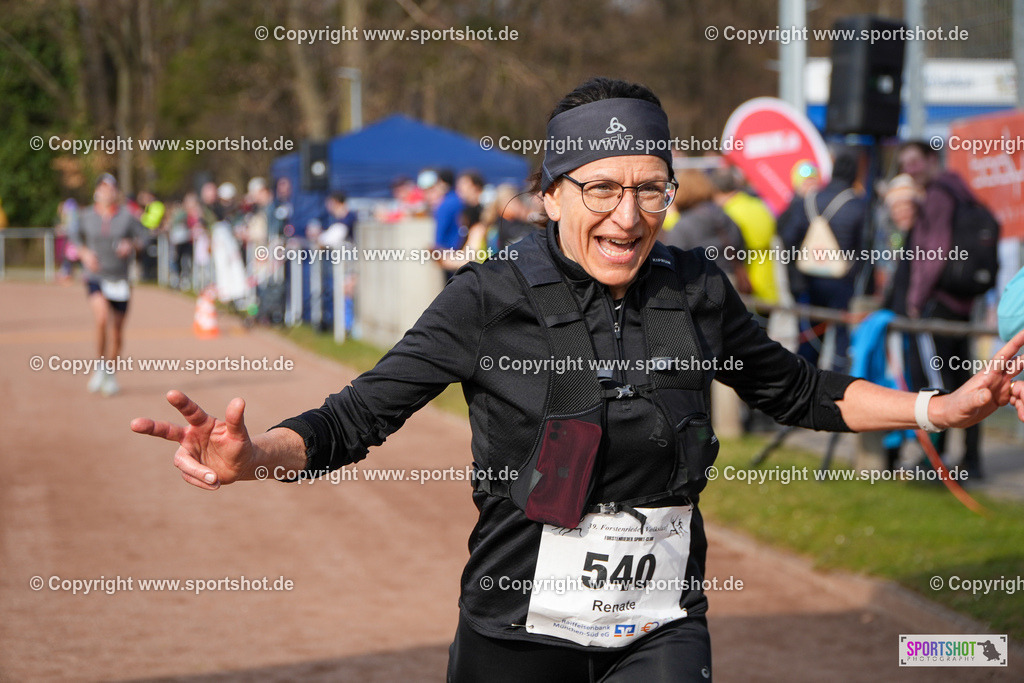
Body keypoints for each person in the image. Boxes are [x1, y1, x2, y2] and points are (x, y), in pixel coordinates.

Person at [131, 78, 1024, 683]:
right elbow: (359, 414)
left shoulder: (696, 288)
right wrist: (256, 457)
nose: (627, 216)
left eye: (650, 188)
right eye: (601, 188)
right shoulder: (486, 300)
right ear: (551, 192)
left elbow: (797, 389)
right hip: (515, 628)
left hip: (661, 624)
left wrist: (938, 404)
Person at [897, 140, 988, 479]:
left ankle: (934, 462)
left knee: (935, 384)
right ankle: (971, 459)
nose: (910, 170)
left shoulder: (937, 196)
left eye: (914, 162)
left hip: (937, 305)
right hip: (961, 304)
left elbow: (932, 253)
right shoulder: (961, 191)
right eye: (904, 164)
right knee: (965, 382)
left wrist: (915, 299)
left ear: (931, 160)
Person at [777, 150, 868, 372]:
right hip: (841, 281)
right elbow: (864, 248)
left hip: (809, 280)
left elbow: (789, 238)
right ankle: (841, 384)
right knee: (841, 340)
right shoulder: (857, 205)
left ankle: (806, 383)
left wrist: (796, 277)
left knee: (809, 339)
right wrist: (852, 274)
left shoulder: (809, 200)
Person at [73, 173, 145, 396]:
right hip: (96, 276)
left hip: (120, 279)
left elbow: (144, 237)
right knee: (102, 317)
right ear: (97, 191)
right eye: (103, 188)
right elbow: (73, 236)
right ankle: (99, 366)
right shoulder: (86, 215)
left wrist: (131, 245)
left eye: (111, 188)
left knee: (117, 331)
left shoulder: (127, 216)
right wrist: (84, 253)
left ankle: (110, 372)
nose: (107, 192)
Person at [660, 168, 749, 293]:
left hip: (698, 286)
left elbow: (672, 259)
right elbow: (739, 243)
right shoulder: (721, 214)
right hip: (729, 280)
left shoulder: (683, 224)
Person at [710, 166, 778, 303]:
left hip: (745, 279)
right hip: (767, 275)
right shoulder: (758, 204)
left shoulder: (727, 213)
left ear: (717, 191)